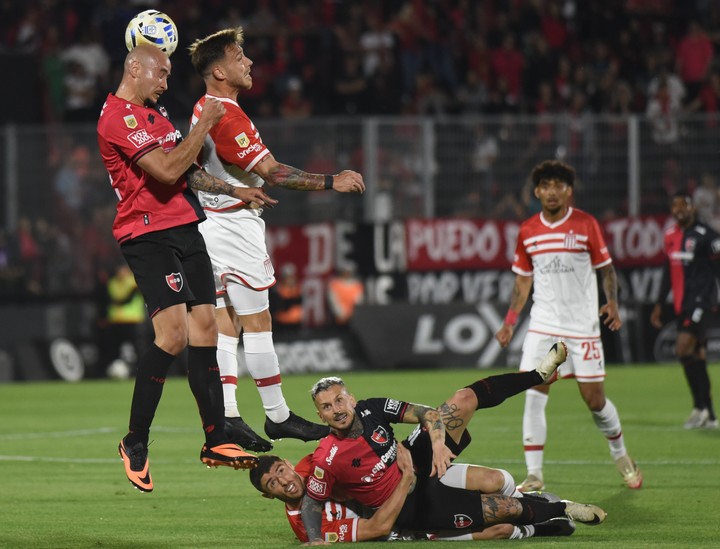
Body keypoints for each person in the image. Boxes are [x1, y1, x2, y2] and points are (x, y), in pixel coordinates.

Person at [97, 44, 277, 492]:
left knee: (206, 329)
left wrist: (235, 191)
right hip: (146, 232)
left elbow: (187, 172)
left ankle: (215, 439)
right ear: (134, 68)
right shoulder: (118, 118)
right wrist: (202, 126)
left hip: (185, 225)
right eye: (160, 73)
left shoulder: (155, 116)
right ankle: (135, 441)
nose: (165, 82)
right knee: (173, 335)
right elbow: (165, 170)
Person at [187, 28, 366, 452]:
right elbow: (273, 173)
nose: (248, 62)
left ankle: (229, 414)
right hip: (235, 228)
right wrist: (332, 181)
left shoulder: (202, 109)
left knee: (226, 322)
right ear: (219, 71)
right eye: (239, 57)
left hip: (208, 223)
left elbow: (192, 172)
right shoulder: (229, 117)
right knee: (258, 322)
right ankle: (277, 415)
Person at [250, 343, 607, 543]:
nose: (336, 410)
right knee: (504, 507)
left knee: (462, 400)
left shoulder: (373, 408)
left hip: (416, 462)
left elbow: (427, 413)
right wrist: (315, 541)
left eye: (339, 400)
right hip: (409, 504)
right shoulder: (328, 458)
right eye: (327, 408)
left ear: (351, 398)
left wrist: (437, 443)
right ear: (321, 414)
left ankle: (537, 375)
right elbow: (312, 502)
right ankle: (560, 509)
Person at [495, 159, 642, 492]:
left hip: (582, 327)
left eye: (558, 186)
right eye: (545, 186)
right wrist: (509, 322)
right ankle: (534, 474)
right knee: (534, 392)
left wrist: (612, 302)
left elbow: (606, 268)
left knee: (595, 402)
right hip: (543, 324)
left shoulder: (586, 224)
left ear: (569, 191)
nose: (552, 192)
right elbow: (522, 282)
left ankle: (620, 453)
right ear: (536, 192)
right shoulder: (528, 230)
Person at [650, 191, 720, 429]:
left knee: (682, 349)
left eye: (684, 205)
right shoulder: (670, 235)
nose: (679, 210)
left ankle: (701, 409)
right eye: (675, 206)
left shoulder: (707, 236)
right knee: (697, 355)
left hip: (702, 302)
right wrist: (659, 304)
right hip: (682, 304)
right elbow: (667, 271)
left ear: (693, 208)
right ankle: (707, 413)